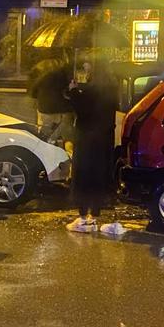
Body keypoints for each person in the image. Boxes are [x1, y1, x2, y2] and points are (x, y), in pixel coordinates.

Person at [64, 59, 118, 232]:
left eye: (88, 69)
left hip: (87, 140)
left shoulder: (91, 92)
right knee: (98, 177)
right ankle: (94, 216)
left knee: (84, 177)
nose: (86, 73)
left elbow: (82, 110)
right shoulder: (110, 88)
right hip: (103, 141)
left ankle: (82, 217)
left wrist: (73, 91)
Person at [28, 56, 74, 154]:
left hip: (45, 109)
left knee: (45, 138)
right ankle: (70, 157)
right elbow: (70, 89)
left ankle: (47, 159)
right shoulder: (64, 68)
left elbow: (32, 93)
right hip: (63, 110)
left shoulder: (39, 69)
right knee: (68, 137)